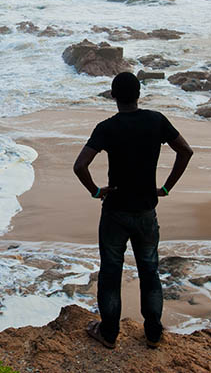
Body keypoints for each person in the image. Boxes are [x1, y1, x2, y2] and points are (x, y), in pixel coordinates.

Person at [73, 71, 193, 350]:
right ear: (139, 94)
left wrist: (95, 191)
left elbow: (80, 166)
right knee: (149, 270)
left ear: (113, 95)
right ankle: (152, 334)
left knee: (111, 272)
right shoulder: (156, 120)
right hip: (146, 210)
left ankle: (109, 333)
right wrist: (165, 188)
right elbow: (185, 151)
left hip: (115, 210)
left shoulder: (107, 127)